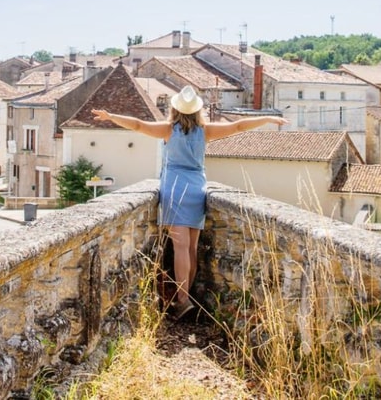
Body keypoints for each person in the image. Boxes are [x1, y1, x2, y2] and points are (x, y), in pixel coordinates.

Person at [91, 86, 287, 319]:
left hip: (175, 188)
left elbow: (137, 125)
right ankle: (187, 296)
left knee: (180, 248)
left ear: (175, 108)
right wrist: (266, 118)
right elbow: (238, 126)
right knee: (192, 249)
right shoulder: (206, 131)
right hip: (197, 188)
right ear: (197, 111)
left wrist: (111, 117)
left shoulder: (168, 130)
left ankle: (182, 301)